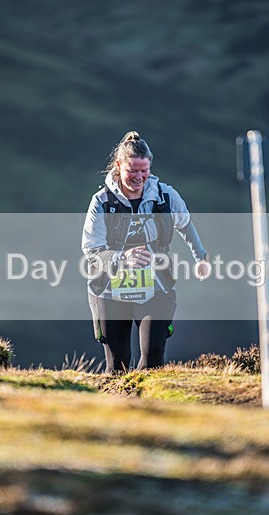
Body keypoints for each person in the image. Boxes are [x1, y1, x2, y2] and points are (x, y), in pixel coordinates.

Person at [82, 131, 211, 373]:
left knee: (153, 358)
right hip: (109, 288)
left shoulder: (165, 196)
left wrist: (200, 257)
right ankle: (119, 406)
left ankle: (149, 407)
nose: (139, 177)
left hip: (157, 284)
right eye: (132, 171)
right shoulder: (101, 201)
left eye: (144, 170)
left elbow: (185, 224)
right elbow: (92, 249)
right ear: (119, 166)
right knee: (117, 364)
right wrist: (123, 258)